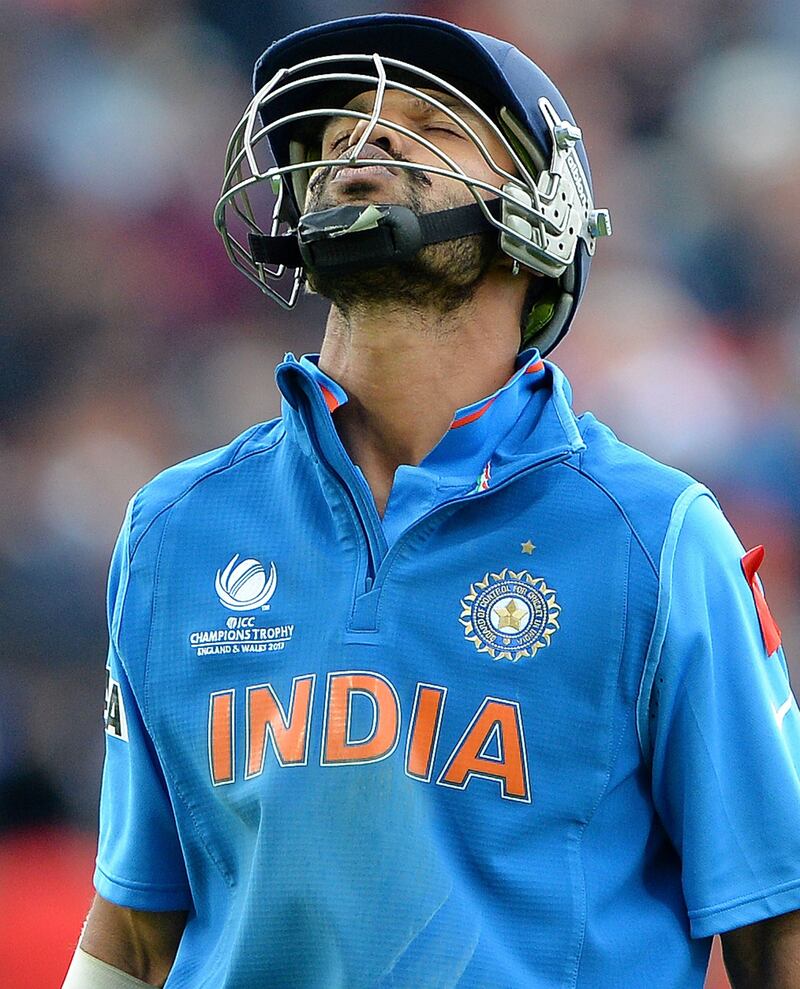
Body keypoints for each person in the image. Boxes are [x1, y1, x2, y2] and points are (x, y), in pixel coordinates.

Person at [63, 13, 800, 989]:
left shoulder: (654, 537)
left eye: (426, 123)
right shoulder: (174, 528)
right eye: (332, 135)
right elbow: (137, 929)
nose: (360, 142)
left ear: (540, 212)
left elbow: (774, 930)